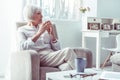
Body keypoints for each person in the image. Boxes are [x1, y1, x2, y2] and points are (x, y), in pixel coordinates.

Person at [17, 4, 77, 70]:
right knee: (68, 51)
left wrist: (52, 34)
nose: (42, 16)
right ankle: (84, 75)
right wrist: (39, 33)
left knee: (67, 67)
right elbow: (22, 47)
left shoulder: (43, 27)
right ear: (31, 15)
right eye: (38, 13)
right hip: (40, 57)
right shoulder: (22, 30)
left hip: (52, 56)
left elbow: (58, 50)